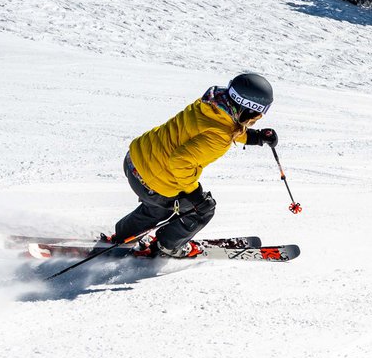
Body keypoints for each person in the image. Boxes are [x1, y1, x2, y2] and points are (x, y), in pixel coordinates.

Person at [108, 73, 279, 258]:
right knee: (201, 210)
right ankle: (167, 247)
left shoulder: (211, 103)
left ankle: (123, 236)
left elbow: (216, 127)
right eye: (257, 114)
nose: (256, 119)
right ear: (246, 109)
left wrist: (255, 137)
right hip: (154, 181)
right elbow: (181, 163)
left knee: (158, 207)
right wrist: (196, 196)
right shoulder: (220, 137)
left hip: (135, 161)